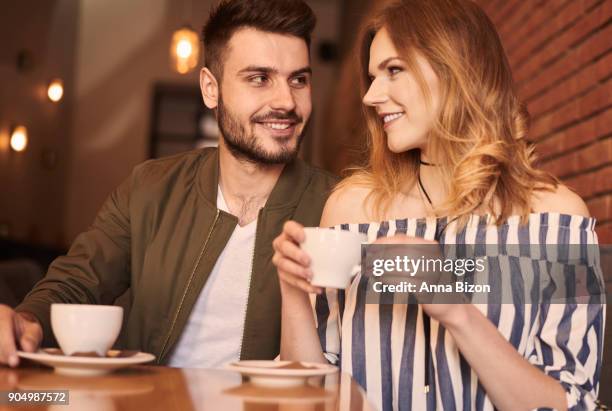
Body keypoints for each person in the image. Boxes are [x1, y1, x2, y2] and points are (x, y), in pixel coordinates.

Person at [272, 0, 605, 410]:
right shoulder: (350, 209)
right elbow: (306, 398)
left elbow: (573, 403)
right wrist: (293, 291)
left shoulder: (556, 220)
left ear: (456, 69)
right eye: (373, 76)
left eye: (394, 70)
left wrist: (456, 310)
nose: (372, 96)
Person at [0, 0, 337, 369]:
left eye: (298, 80)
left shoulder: (337, 205)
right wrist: (24, 319)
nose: (286, 101)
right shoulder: (150, 188)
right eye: (259, 79)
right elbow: (75, 282)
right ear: (211, 88)